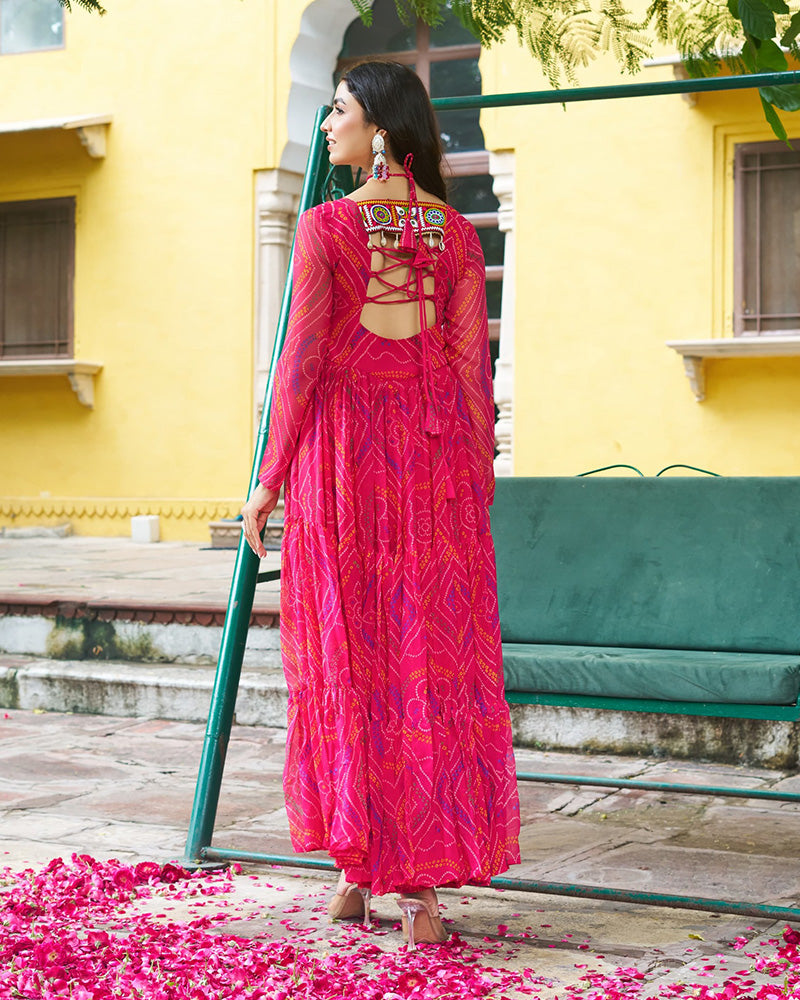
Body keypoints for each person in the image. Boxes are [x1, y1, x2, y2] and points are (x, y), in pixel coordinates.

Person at [241, 60, 520, 949]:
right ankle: (406, 886)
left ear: (381, 131)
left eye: (341, 111)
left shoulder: (327, 228)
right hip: (432, 470)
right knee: (421, 661)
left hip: (343, 467)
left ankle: (361, 871)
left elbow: (302, 362)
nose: (329, 126)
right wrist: (473, 485)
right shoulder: (457, 236)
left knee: (350, 655)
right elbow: (473, 376)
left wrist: (268, 477)